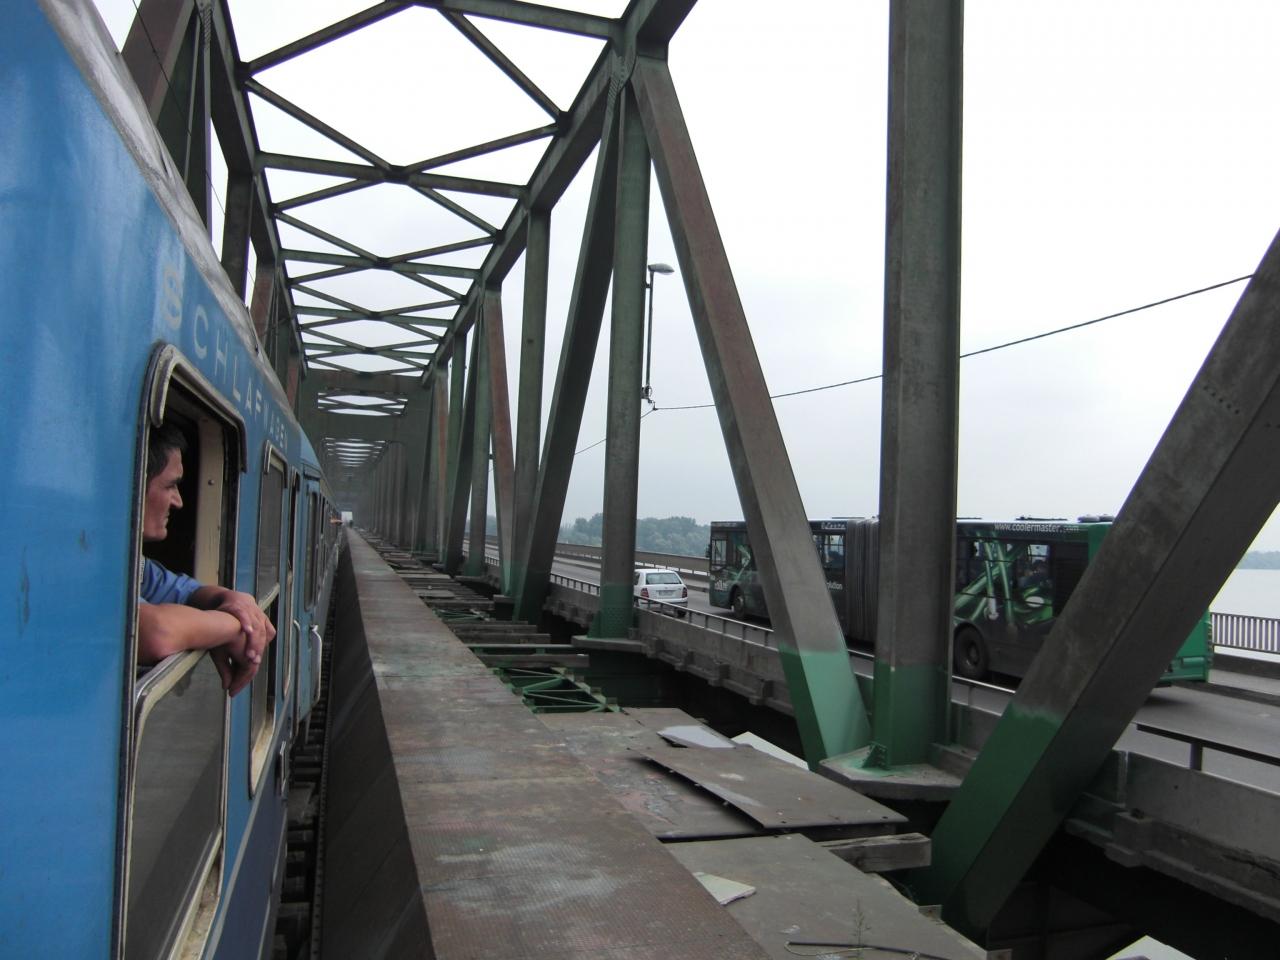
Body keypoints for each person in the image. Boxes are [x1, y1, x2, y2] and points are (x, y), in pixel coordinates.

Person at [138, 424, 276, 695]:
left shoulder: (131, 565)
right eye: (170, 485)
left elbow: (183, 591)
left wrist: (236, 600)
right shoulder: (81, 560)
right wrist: (240, 626)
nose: (178, 501)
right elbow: (156, 632)